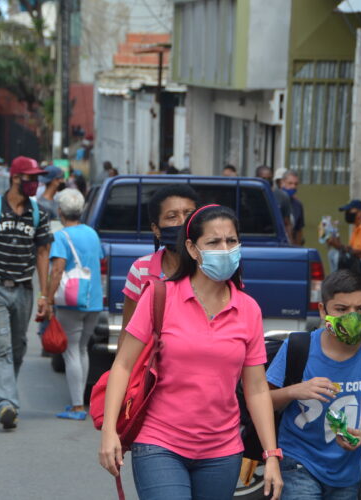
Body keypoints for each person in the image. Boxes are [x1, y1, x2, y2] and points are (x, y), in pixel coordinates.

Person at [99, 204, 282, 500]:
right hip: (159, 443)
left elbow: (257, 388)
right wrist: (110, 431)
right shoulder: (161, 296)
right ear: (193, 249)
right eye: (214, 242)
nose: (225, 249)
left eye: (231, 241)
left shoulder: (248, 310)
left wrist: (271, 454)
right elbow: (123, 365)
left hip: (223, 451)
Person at [266, 269, 361, 500]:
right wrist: (294, 390)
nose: (352, 317)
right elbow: (262, 401)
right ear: (323, 310)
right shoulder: (298, 347)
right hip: (298, 461)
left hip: (347, 472)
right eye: (341, 309)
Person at [0, 156, 52, 431]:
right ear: (16, 178)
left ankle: (7, 396)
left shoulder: (39, 213)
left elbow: (42, 253)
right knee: (1, 345)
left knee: (18, 348)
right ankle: (6, 404)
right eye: (31, 178)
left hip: (24, 290)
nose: (35, 184)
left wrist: (45, 295)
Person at [43, 189, 103, 420]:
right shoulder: (92, 233)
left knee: (71, 352)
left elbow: (57, 269)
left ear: (60, 211)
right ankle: (80, 402)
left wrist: (47, 299)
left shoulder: (61, 236)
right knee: (82, 350)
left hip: (71, 301)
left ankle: (77, 406)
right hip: (94, 299)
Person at [119, 185, 199, 348]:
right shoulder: (141, 269)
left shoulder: (213, 267)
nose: (182, 223)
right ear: (156, 229)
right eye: (172, 217)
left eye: (189, 214)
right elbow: (127, 334)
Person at [256, 165, 294, 242]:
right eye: (263, 179)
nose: (266, 181)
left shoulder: (282, 196)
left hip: (274, 239)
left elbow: (287, 223)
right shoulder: (248, 195)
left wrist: (290, 243)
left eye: (269, 179)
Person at [281, 170, 305, 246]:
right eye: (290, 183)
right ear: (282, 183)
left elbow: (299, 230)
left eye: (296, 184)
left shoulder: (298, 205)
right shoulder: (275, 201)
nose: (293, 186)